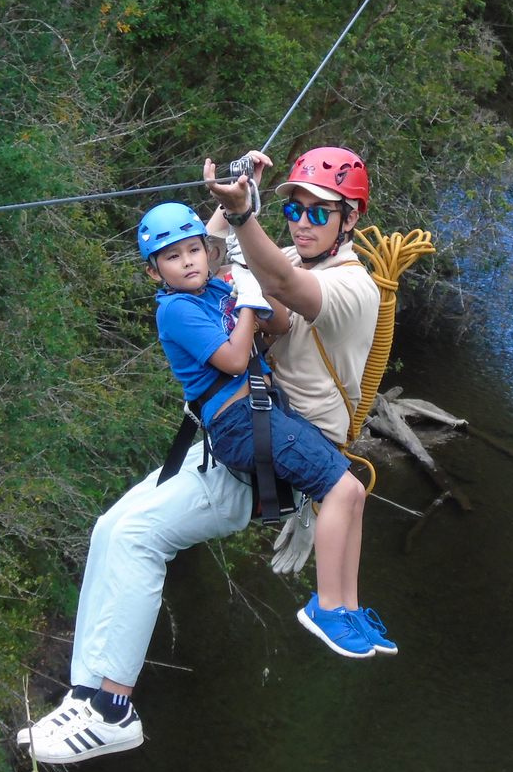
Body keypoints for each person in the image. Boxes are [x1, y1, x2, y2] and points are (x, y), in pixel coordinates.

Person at [20, 147, 392, 765]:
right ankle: (86, 696)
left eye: (318, 213)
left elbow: (277, 285)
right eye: (293, 208)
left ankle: (113, 709)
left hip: (268, 453)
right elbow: (208, 257)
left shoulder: (354, 287)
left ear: (348, 220)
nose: (301, 221)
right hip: (243, 436)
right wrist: (232, 204)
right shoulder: (288, 257)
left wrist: (248, 213)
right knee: (110, 527)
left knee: (139, 538)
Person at [140, 198, 388, 658]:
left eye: (193, 251)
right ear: (156, 272)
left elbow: (281, 320)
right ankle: (326, 608)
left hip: (265, 408)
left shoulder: (214, 290)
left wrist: (250, 283)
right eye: (173, 257)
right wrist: (250, 303)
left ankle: (349, 607)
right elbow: (235, 358)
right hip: (237, 423)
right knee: (339, 491)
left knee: (353, 492)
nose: (188, 261)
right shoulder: (175, 310)